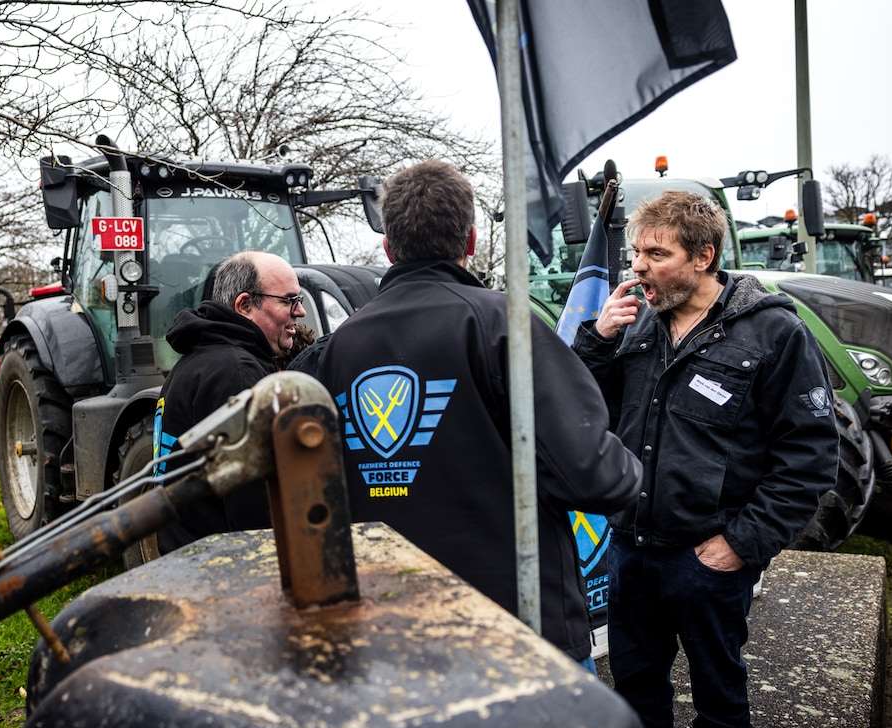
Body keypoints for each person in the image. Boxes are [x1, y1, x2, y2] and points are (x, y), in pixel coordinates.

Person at [309, 159, 642, 669]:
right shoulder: (504, 325)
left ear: (388, 247)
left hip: (387, 631)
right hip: (515, 632)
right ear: (469, 241)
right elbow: (596, 476)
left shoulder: (334, 350)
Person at [571, 190, 838, 728]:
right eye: (636, 252)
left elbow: (810, 457)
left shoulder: (773, 333)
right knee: (636, 695)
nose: (638, 265)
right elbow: (585, 417)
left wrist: (740, 544)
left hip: (708, 559)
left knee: (719, 701)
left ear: (704, 256)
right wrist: (597, 344)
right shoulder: (634, 323)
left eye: (656, 253)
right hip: (632, 550)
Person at [153, 250, 307, 551]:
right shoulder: (237, 374)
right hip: (224, 566)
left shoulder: (196, 359)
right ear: (245, 305)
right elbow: (255, 503)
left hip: (187, 555)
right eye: (289, 300)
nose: (299, 312)